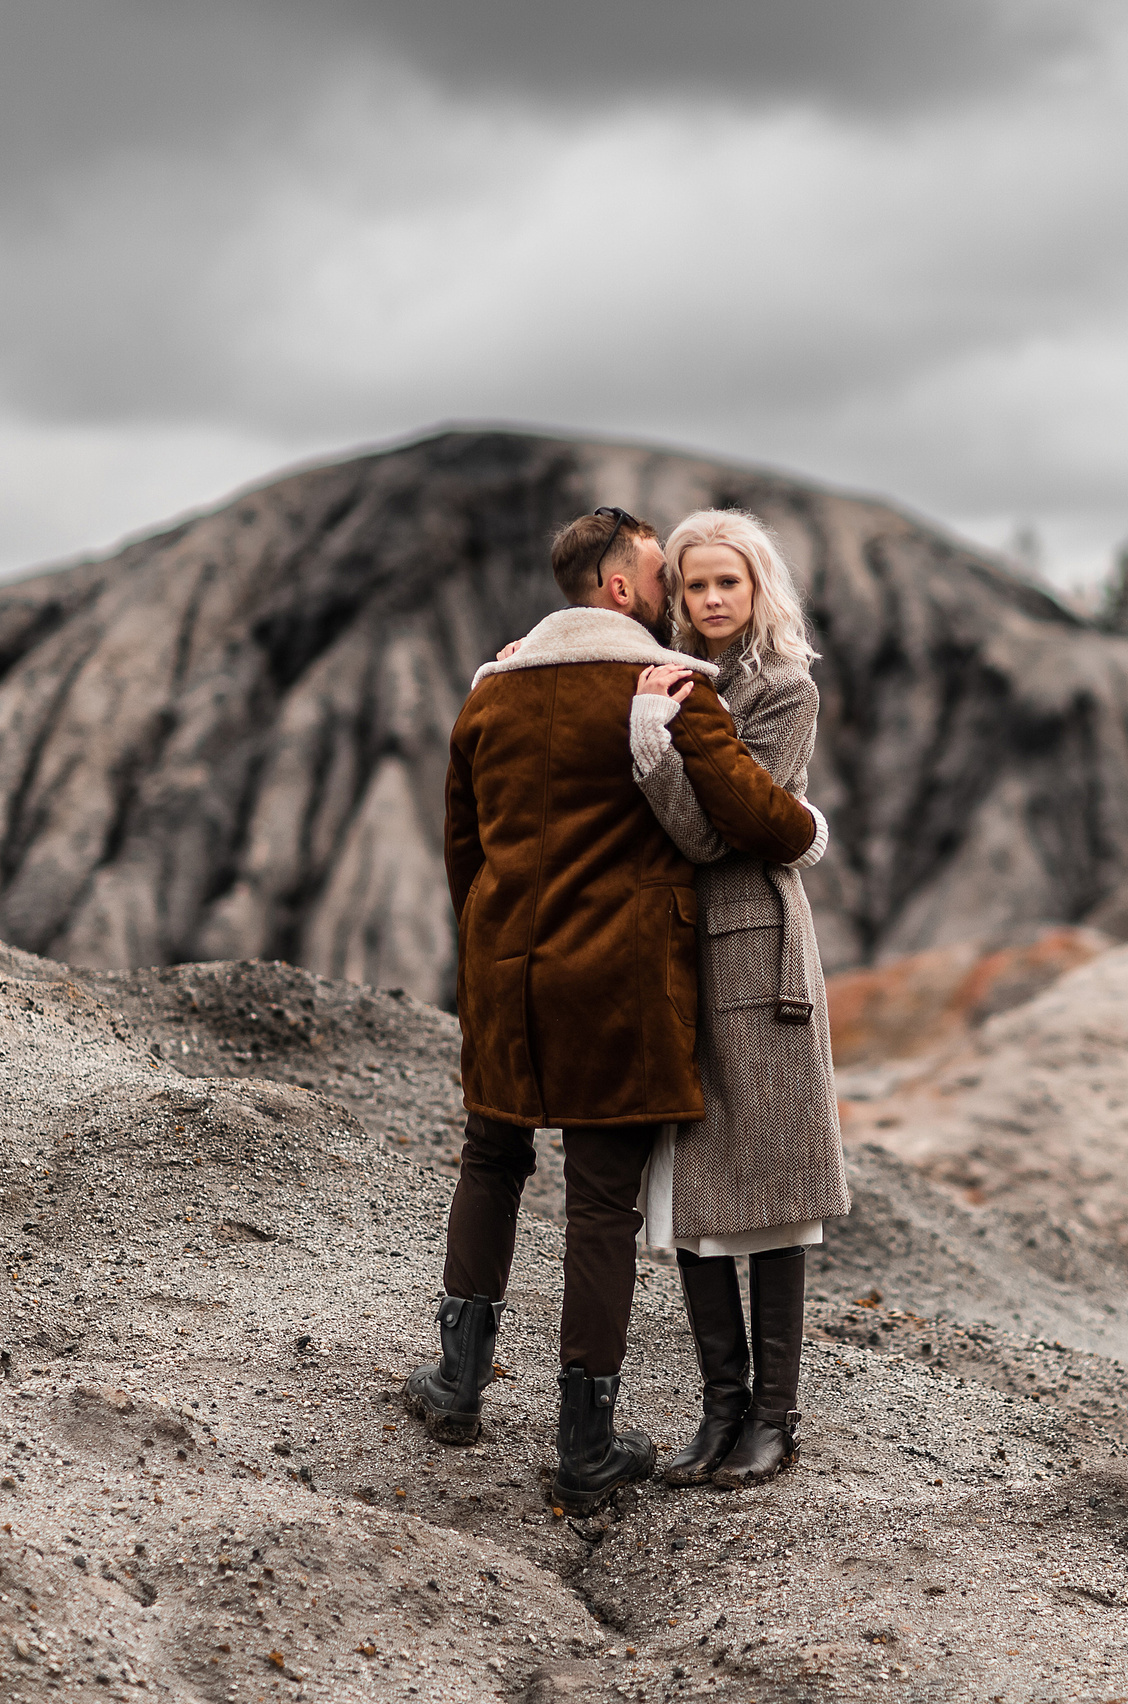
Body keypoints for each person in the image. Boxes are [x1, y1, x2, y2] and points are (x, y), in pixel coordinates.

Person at [402, 506, 822, 1518]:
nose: (686, 600)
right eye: (666, 580)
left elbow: (460, 849)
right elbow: (765, 822)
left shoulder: (488, 696)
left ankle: (456, 1387)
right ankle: (585, 1442)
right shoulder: (674, 697)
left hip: (507, 979)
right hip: (621, 994)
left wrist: (498, 948)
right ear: (626, 591)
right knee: (598, 1207)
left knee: (491, 1161)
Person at [627, 509, 849, 1490]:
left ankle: (774, 1419)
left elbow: (722, 834)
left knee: (773, 1192)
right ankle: (720, 1415)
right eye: (695, 585)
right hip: (678, 956)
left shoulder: (782, 689)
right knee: (691, 1195)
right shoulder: (661, 677)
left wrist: (655, 751)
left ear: (757, 590)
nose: (711, 600)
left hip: (754, 952)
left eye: (728, 583)